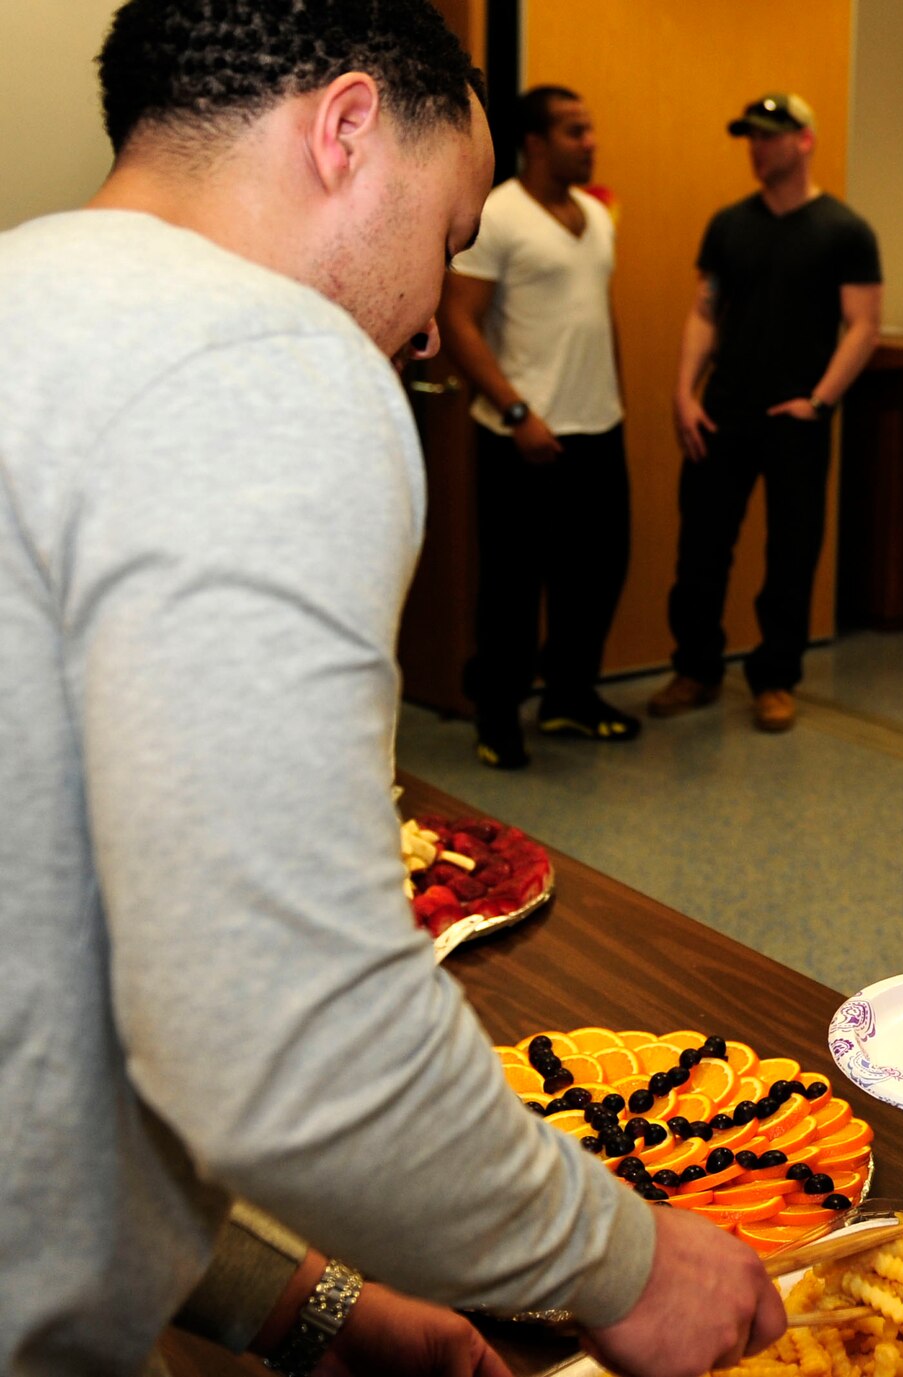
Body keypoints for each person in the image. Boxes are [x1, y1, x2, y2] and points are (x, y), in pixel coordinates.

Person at [0, 3, 783, 1373]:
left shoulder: (31, 300)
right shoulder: (261, 359)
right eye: (448, 237)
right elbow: (292, 1043)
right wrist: (632, 1263)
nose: (430, 322)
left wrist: (314, 1307)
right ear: (347, 130)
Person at [649, 93, 882, 733]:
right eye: (750, 136)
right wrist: (683, 394)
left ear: (804, 140)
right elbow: (704, 311)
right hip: (722, 415)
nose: (757, 146)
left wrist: (819, 401)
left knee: (792, 555)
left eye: (770, 135)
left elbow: (864, 326)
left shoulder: (844, 230)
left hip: (796, 423)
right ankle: (694, 667)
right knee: (701, 550)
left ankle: (775, 677)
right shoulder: (729, 225)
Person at [439, 84, 638, 770]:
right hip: (523, 434)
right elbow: (458, 320)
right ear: (535, 141)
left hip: (597, 427)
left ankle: (570, 698)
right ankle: (497, 715)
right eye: (575, 131)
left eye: (589, 130)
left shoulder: (595, 214)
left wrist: (615, 397)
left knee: (598, 572)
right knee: (514, 585)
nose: (591, 142)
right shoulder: (499, 215)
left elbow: (596, 313)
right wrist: (516, 409)